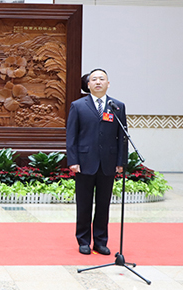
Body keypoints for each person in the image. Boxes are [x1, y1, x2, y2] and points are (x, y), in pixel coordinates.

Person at [66, 68, 127, 255]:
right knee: (84, 204)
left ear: (108, 83)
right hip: (84, 163)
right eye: (94, 79)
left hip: (108, 163)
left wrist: (121, 161)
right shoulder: (78, 106)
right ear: (88, 84)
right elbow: (71, 136)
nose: (98, 82)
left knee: (103, 205)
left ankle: (100, 241)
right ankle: (83, 240)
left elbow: (122, 136)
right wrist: (73, 161)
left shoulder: (117, 106)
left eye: (102, 79)